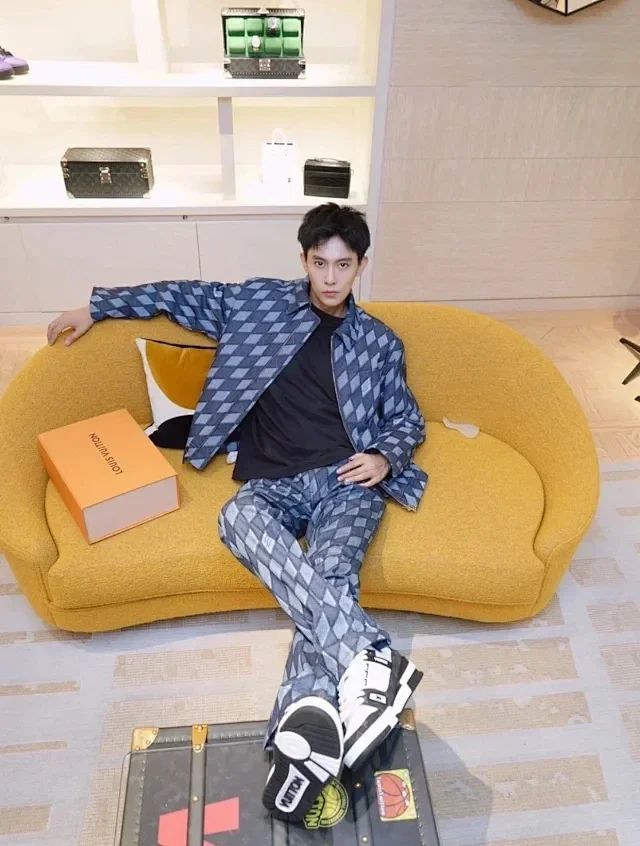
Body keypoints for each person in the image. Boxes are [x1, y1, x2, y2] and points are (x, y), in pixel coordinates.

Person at [46, 202, 428, 824]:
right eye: (320, 263)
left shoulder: (379, 342)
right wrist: (98, 306)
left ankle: (302, 731)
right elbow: (177, 295)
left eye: (343, 266)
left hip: (346, 483)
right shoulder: (258, 304)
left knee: (331, 573)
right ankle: (369, 656)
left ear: (361, 266)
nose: (331, 278)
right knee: (235, 517)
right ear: (303, 260)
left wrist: (385, 457)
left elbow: (406, 417)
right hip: (271, 482)